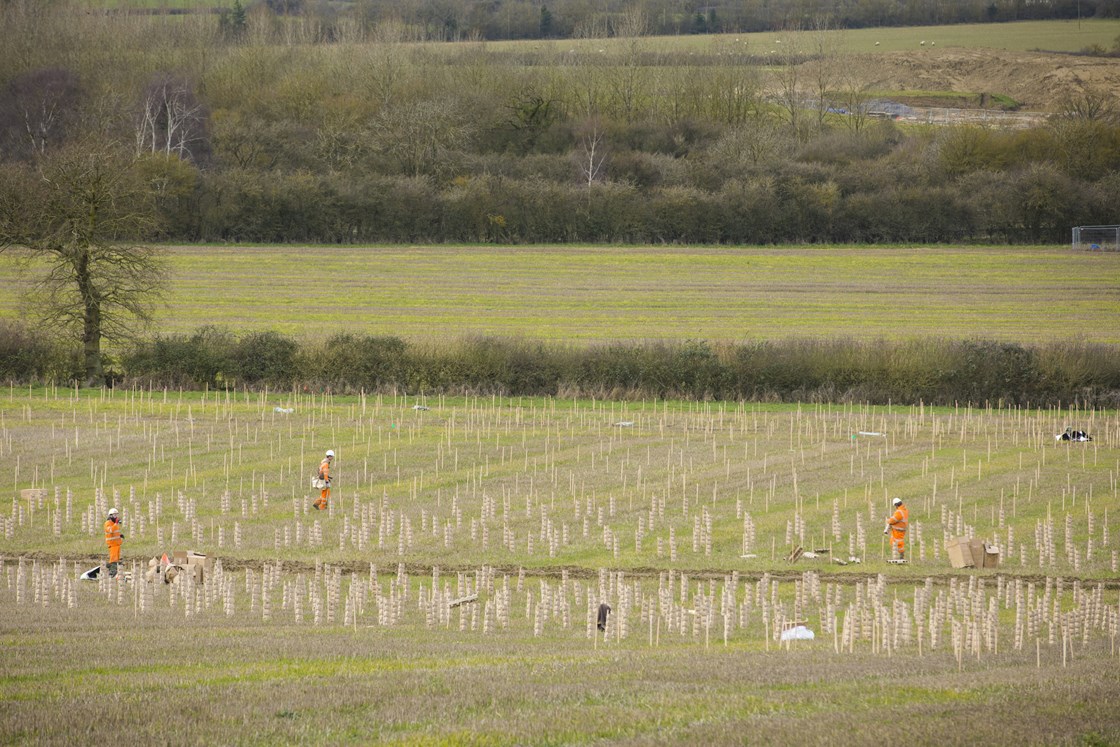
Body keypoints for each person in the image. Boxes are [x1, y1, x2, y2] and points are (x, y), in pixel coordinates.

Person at [104, 508, 123, 578]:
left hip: (117, 544)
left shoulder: (114, 524)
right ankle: (111, 573)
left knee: (116, 560)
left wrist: (119, 535)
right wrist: (116, 523)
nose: (116, 517)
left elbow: (114, 533)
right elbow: (111, 530)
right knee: (113, 560)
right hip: (112, 545)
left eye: (116, 515)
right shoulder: (107, 523)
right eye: (114, 515)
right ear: (110, 516)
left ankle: (115, 572)